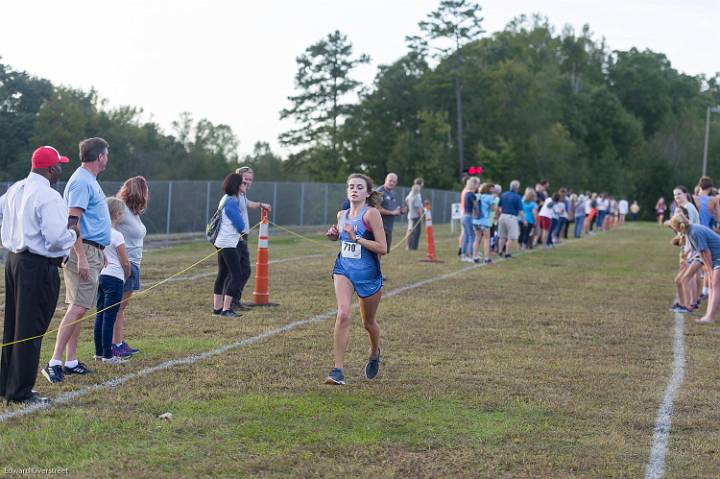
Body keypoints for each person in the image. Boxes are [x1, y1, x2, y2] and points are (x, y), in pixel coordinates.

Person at [0, 146, 78, 403]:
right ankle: (20, 392)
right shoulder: (48, 195)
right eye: (59, 166)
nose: (60, 171)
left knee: (13, 326)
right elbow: (56, 239)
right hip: (36, 266)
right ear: (50, 169)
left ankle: (7, 384)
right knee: (31, 329)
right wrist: (73, 234)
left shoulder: (15, 189)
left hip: (14, 261)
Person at [43, 137, 112, 383]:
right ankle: (54, 362)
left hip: (91, 249)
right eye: (106, 154)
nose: (107, 158)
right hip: (81, 252)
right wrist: (82, 256)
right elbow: (73, 222)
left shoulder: (88, 180)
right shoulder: (82, 181)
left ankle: (71, 361)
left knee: (80, 307)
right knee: (78, 307)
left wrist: (99, 249)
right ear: (100, 156)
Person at [324, 174, 387, 385]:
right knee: (342, 314)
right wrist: (334, 234)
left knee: (368, 323)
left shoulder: (372, 215)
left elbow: (383, 248)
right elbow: (342, 239)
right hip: (344, 270)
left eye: (359, 187)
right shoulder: (341, 214)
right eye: (351, 186)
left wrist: (356, 238)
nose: (354, 190)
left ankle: (375, 351)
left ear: (367, 192)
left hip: (368, 275)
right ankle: (337, 370)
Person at [112, 176, 148, 358]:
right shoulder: (121, 209)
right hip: (124, 263)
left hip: (134, 264)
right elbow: (108, 229)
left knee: (121, 308)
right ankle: (114, 344)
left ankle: (118, 342)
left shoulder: (134, 213)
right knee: (117, 307)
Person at [94, 198, 131, 365]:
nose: (123, 215)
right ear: (117, 215)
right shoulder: (117, 235)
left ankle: (99, 353)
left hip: (101, 276)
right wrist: (127, 274)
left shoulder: (99, 232)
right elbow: (125, 262)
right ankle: (108, 355)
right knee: (110, 317)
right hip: (114, 277)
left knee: (100, 315)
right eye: (122, 213)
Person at [668, 213, 720, 324]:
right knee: (713, 285)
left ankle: (710, 317)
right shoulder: (690, 231)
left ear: (677, 227)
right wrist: (709, 270)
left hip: (718, 256)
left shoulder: (694, 231)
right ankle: (708, 316)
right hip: (715, 258)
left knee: (715, 285)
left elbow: (706, 253)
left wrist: (710, 271)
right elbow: (701, 254)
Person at [233, 166, 272, 309]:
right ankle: (230, 302)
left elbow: (249, 204)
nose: (248, 182)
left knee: (241, 271)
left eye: (250, 179)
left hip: (242, 237)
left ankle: (233, 301)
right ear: (238, 178)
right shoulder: (234, 195)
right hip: (236, 238)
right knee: (239, 271)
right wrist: (238, 234)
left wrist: (261, 205)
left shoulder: (242, 194)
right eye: (245, 179)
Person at [213, 174, 247, 317]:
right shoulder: (232, 201)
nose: (245, 186)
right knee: (237, 276)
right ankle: (226, 309)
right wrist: (243, 230)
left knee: (223, 274)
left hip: (221, 241)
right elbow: (240, 225)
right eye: (243, 183)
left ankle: (217, 308)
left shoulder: (225, 198)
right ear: (237, 186)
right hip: (228, 243)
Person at [375, 173, 405, 254]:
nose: (391, 183)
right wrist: (392, 213)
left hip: (389, 227)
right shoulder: (378, 192)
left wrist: (400, 211)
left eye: (394, 182)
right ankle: (375, 267)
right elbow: (375, 209)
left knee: (383, 252)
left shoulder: (393, 193)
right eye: (390, 181)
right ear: (385, 180)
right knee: (378, 251)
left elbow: (394, 209)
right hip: (379, 227)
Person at [497, 180, 526, 258]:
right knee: (510, 237)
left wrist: (498, 216)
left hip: (502, 215)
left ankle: (500, 252)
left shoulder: (503, 194)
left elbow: (499, 207)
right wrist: (524, 220)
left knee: (502, 236)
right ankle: (507, 253)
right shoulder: (517, 197)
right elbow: (520, 211)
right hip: (511, 217)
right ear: (517, 188)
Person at [473, 183, 496, 263]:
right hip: (484, 220)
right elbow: (493, 209)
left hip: (476, 220)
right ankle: (487, 258)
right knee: (486, 239)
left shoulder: (477, 196)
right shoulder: (490, 197)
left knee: (477, 238)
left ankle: (475, 257)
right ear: (489, 189)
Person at [460, 177, 479, 262]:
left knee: (467, 237)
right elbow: (475, 206)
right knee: (472, 237)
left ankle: (463, 255)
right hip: (469, 217)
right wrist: (478, 214)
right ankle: (472, 255)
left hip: (464, 216)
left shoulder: (467, 193)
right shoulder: (472, 194)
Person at [405, 183, 423, 250]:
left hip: (410, 215)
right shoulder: (416, 197)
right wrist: (421, 217)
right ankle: (413, 246)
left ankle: (408, 246)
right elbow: (418, 209)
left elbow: (406, 201)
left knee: (410, 231)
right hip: (415, 217)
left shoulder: (410, 196)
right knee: (415, 232)